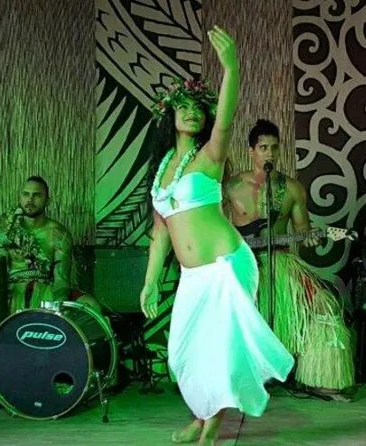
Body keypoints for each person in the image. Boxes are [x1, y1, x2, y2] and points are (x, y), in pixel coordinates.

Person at [139, 27, 294, 445]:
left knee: (219, 350)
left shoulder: (210, 156)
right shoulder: (162, 171)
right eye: (183, 107)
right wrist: (150, 282)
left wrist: (231, 69)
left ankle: (210, 429)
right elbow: (160, 231)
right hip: (193, 276)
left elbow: (226, 118)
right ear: (170, 115)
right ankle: (199, 415)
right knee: (184, 352)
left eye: (198, 108)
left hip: (227, 265)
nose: (192, 113)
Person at [226, 119, 355, 401]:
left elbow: (302, 230)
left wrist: (309, 238)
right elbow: (215, 228)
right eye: (263, 147)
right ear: (251, 151)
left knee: (324, 304)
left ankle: (322, 379)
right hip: (242, 265)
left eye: (274, 147)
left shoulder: (292, 188)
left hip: (282, 262)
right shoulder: (231, 186)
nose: (269, 153)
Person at [0, 176, 101, 313]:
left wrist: (59, 305)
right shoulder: (6, 230)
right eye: (26, 194)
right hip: (12, 289)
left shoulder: (59, 234)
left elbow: (61, 278)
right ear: (20, 197)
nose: (30, 200)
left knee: (92, 305)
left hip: (47, 288)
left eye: (36, 195)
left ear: (47, 200)